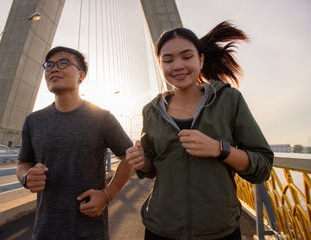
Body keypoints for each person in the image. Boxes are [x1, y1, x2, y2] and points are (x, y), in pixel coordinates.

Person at [126, 21, 274, 240]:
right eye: (167, 60)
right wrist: (142, 161)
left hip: (219, 230)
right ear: (160, 65)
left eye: (187, 57)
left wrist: (219, 149)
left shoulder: (228, 100)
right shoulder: (151, 111)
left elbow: (262, 165)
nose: (177, 66)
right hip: (160, 228)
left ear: (201, 60)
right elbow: (153, 167)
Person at [16, 46, 134, 240]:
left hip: (90, 230)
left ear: (81, 75)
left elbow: (129, 157)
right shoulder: (33, 121)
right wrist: (26, 177)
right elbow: (23, 163)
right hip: (44, 231)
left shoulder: (101, 118)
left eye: (63, 63)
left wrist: (107, 195)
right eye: (49, 65)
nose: (54, 69)